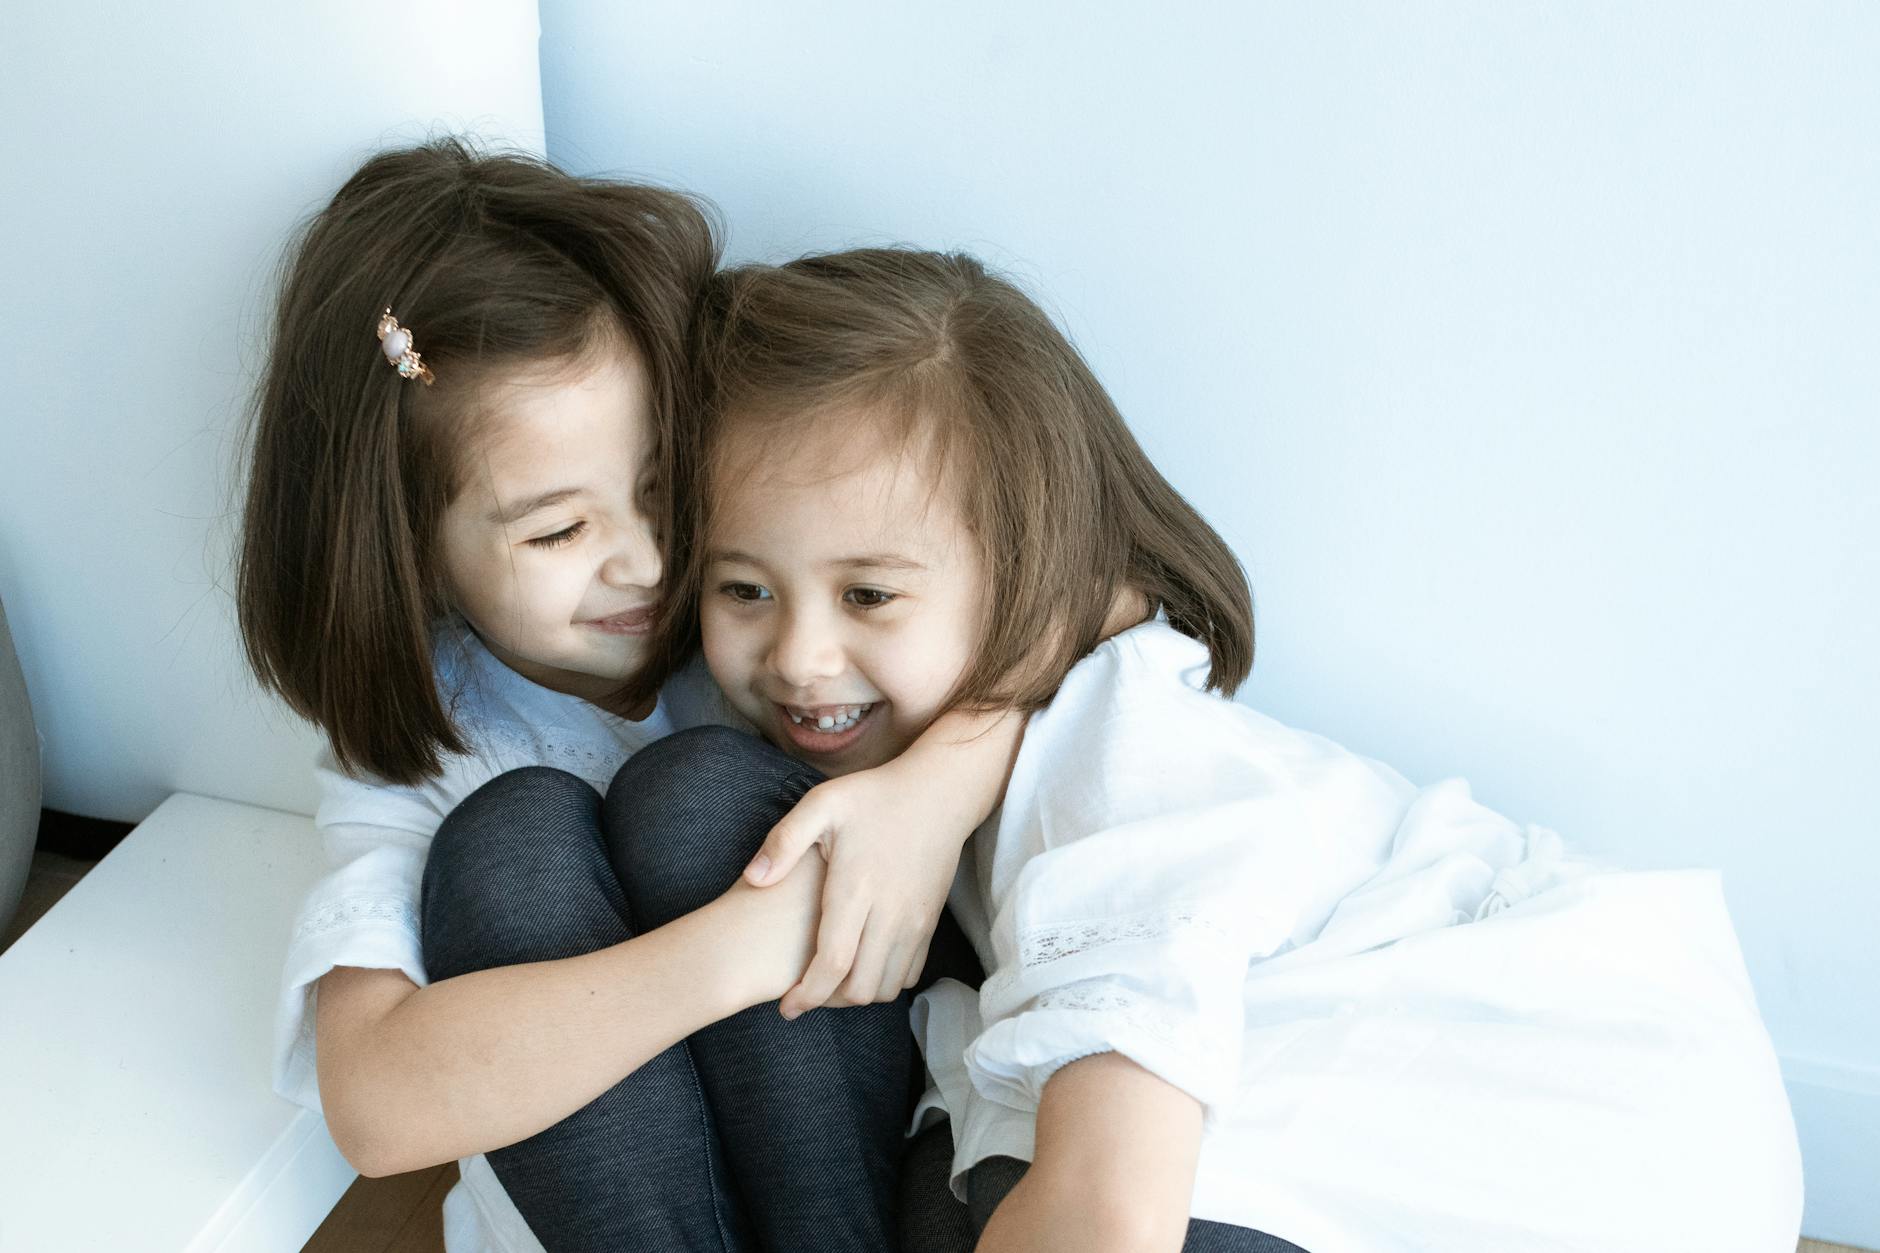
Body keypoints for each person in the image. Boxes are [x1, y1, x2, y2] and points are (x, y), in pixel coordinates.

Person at [685, 247, 1805, 1253]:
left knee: (1029, 1181)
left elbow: (1108, 1213)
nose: (799, 656)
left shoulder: (1118, 758)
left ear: (1025, 573)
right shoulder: (1004, 733)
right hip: (1577, 1134)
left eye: (869, 594)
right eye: (742, 588)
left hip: (1565, 1126)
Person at [238, 141, 1018, 1252]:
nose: (649, 560)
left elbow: (1101, 600)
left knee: (695, 792)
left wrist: (933, 794)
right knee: (508, 840)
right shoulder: (437, 744)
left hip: (859, 1184)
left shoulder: (765, 615)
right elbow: (374, 1107)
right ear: (409, 546)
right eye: (560, 529)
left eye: (663, 487)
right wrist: (744, 945)